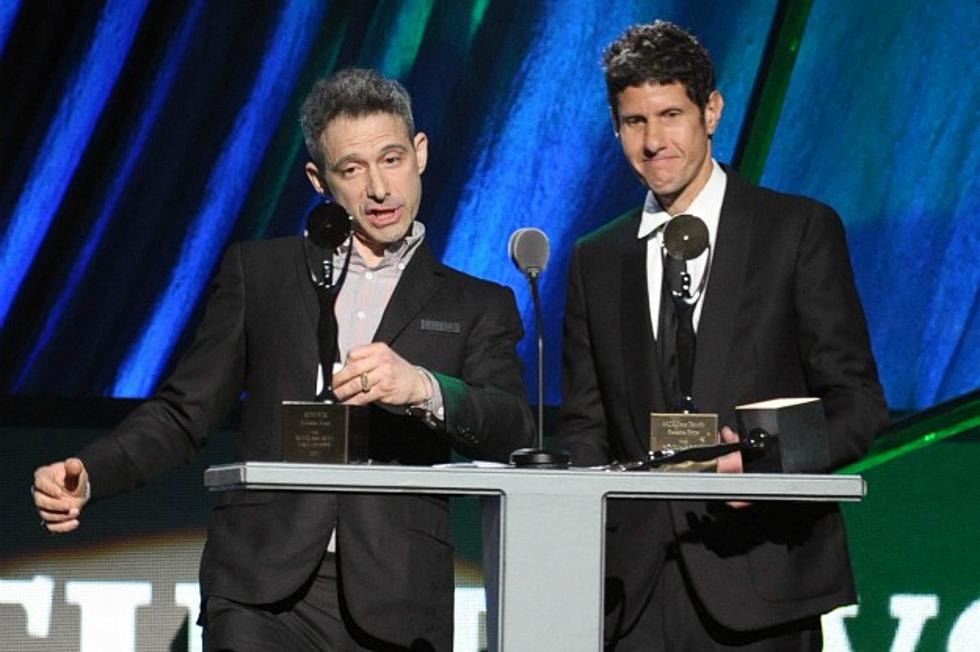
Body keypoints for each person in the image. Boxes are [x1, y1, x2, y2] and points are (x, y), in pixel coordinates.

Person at [31, 68, 536, 651]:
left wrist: (422, 386)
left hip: (397, 592)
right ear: (318, 179)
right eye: (352, 169)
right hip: (259, 587)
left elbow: (512, 428)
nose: (378, 188)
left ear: (419, 153)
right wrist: (93, 473)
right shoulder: (262, 273)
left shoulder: (476, 303)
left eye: (392, 159)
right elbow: (185, 411)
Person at [557, 21, 888, 650]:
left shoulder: (796, 231)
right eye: (634, 122)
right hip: (633, 591)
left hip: (762, 577)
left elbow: (858, 404)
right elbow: (585, 423)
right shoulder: (596, 259)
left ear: (711, 111)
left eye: (671, 114)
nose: (654, 142)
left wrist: (764, 466)